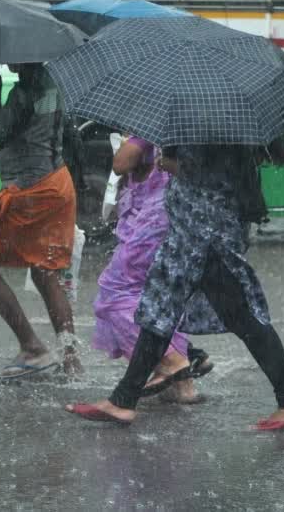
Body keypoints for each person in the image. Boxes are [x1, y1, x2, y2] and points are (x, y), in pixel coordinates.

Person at [66, 134, 284, 430]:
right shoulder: (223, 124)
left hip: (203, 237)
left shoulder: (205, 126)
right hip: (198, 235)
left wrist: (167, 161)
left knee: (237, 317)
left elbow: (190, 166)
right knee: (163, 313)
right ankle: (123, 400)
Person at [0, 63, 81, 379]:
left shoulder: (25, 91)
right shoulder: (56, 83)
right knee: (46, 272)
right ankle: (71, 359)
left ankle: (32, 347)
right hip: (57, 180)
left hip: (29, 190)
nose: (8, 60)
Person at [92, 136, 210, 404]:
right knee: (157, 297)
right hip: (172, 216)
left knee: (113, 296)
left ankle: (174, 359)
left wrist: (130, 142)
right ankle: (182, 386)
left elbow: (121, 163)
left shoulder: (152, 128)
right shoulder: (185, 126)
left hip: (153, 222)